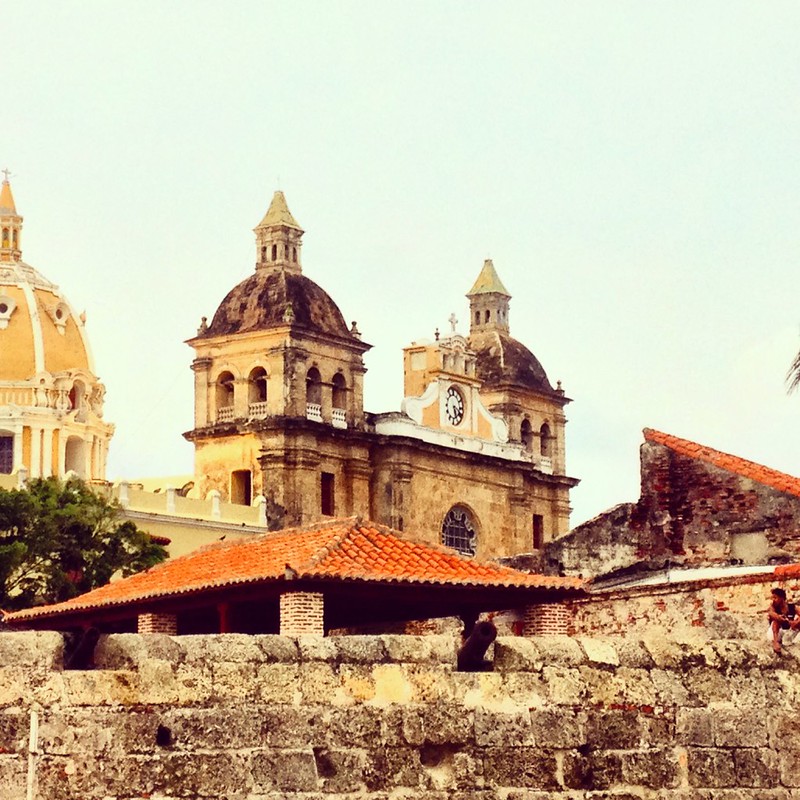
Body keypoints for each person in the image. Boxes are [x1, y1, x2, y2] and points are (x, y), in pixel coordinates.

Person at [767, 587, 800, 654]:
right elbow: (771, 613)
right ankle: (776, 643)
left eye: (775, 598)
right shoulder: (772, 607)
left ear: (781, 598)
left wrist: (795, 622)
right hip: (776, 632)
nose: (773, 600)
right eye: (772, 598)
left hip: (787, 631)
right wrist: (779, 617)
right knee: (776, 621)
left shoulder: (792, 607)